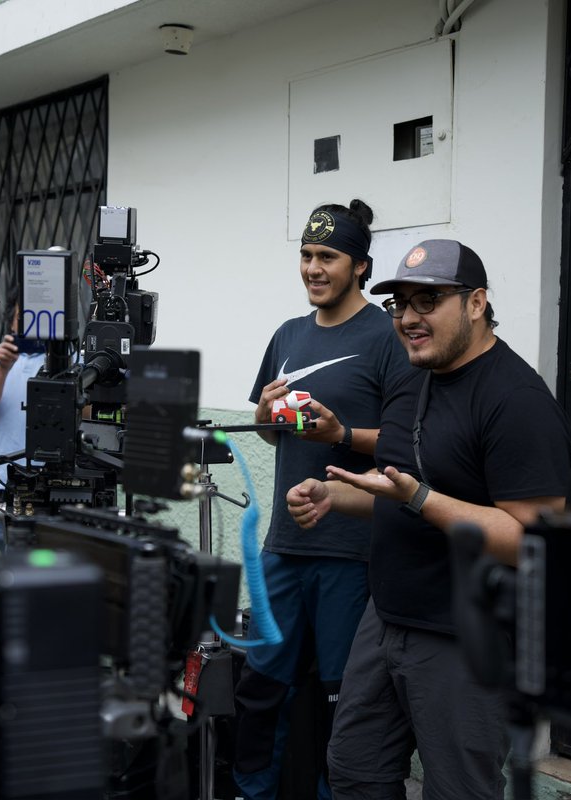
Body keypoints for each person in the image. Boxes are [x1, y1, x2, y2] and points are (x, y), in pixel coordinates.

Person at [286, 239, 571, 800]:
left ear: (476, 303)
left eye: (428, 301)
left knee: (458, 790)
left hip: (467, 636)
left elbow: (532, 540)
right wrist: (332, 495)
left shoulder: (517, 400)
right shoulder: (415, 379)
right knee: (355, 769)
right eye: (400, 305)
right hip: (387, 616)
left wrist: (421, 499)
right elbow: (397, 484)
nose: (409, 318)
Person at [233, 200, 405, 800]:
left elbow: (407, 441)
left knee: (341, 701)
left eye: (327, 257)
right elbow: (271, 431)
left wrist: (343, 434)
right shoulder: (288, 334)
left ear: (360, 265)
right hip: (284, 545)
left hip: (350, 552)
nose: (313, 268)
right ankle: (251, 793)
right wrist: (264, 415)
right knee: (260, 690)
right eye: (306, 255)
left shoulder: (387, 337)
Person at [0, 290, 46, 550]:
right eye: (22, 317)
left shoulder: (69, 361)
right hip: (6, 482)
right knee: (11, 556)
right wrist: (3, 368)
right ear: (12, 321)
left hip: (52, 483)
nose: (29, 324)